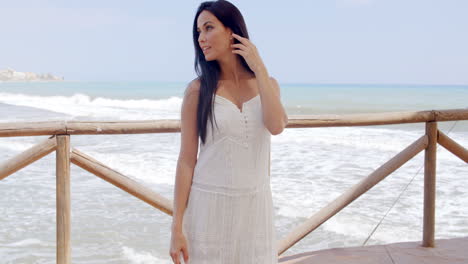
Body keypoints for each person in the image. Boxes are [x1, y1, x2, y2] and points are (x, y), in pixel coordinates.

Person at [169, 1, 288, 263]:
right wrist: (176, 227)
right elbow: (187, 160)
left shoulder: (267, 84)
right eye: (198, 32)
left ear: (232, 30)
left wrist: (260, 68)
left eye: (208, 28)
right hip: (208, 208)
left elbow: (277, 126)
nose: (201, 38)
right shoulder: (197, 91)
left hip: (255, 209)